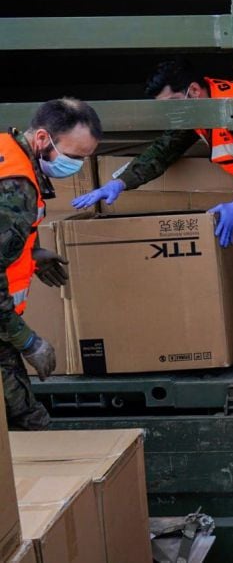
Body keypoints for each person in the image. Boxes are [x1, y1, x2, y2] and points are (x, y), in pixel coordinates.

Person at [72, 60, 233, 355]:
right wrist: (120, 183)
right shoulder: (197, 109)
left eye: (172, 103)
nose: (170, 113)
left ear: (193, 91)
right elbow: (164, 150)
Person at [2, 98, 102, 429]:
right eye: (73, 157)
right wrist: (28, 341)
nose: (76, 166)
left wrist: (29, 254)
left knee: (26, 418)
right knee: (26, 422)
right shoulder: (17, 185)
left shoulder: (8, 149)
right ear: (43, 139)